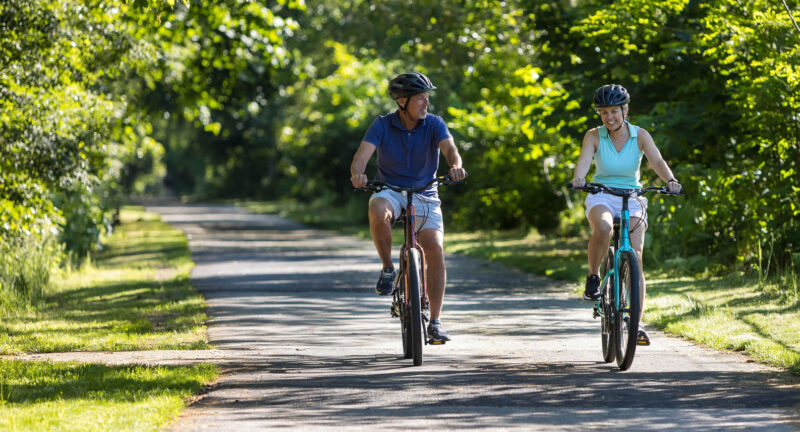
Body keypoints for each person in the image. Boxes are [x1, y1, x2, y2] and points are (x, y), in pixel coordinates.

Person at [350, 72, 467, 342]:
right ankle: (388, 269)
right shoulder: (382, 124)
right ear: (402, 101)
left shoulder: (434, 123)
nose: (426, 103)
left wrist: (455, 166)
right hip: (390, 190)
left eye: (427, 98)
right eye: (420, 99)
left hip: (425, 192)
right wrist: (358, 174)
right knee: (378, 209)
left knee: (435, 249)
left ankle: (435, 321)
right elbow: (361, 156)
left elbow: (450, 149)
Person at [571, 84, 682, 345]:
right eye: (603, 112)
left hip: (633, 196)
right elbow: (584, 161)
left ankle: (636, 324)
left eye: (614, 111)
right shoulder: (593, 136)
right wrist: (579, 178)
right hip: (602, 193)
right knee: (604, 227)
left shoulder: (640, 135)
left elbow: (657, 161)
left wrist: (670, 180)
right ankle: (594, 275)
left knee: (636, 255)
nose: (609, 117)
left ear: (625, 110)